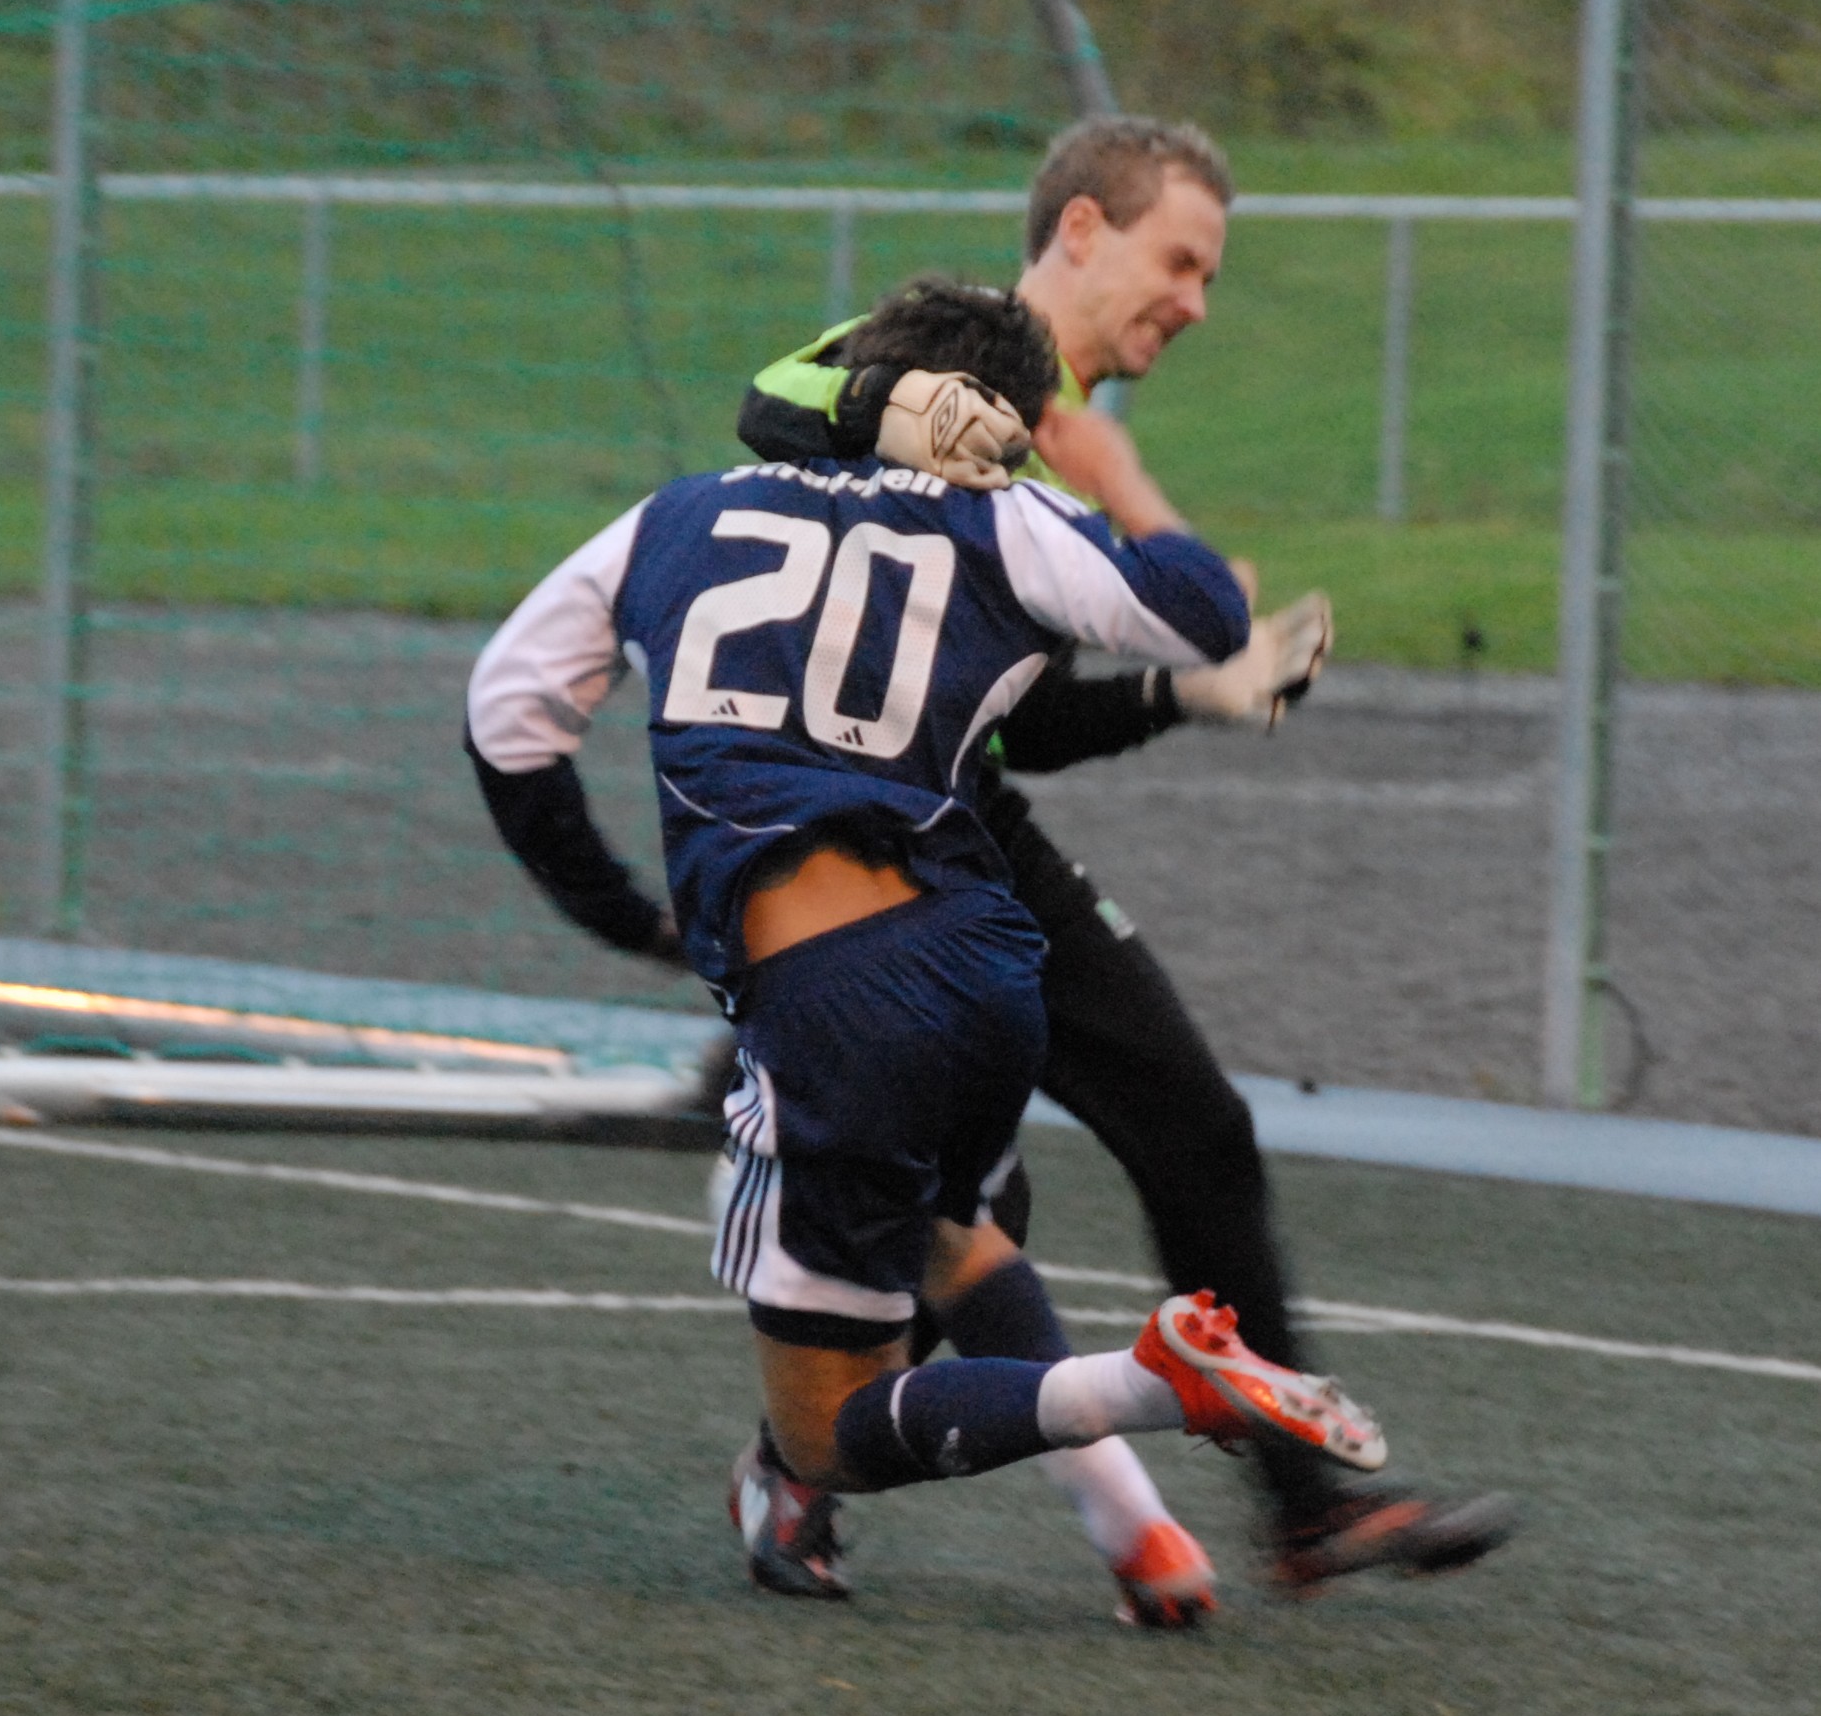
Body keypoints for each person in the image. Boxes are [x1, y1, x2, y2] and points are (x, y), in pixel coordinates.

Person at [479, 115, 1510, 1614]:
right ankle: (1023, 1502)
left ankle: (1271, 1502)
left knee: (1152, 1139)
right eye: (1181, 259)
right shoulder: (950, 362)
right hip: (868, 831)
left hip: (935, 830)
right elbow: (776, 403)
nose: (1198, 300)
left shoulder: (1051, 432)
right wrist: (960, 433)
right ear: (1079, 230)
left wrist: (1178, 682)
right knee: (947, 1214)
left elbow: (1013, 716)